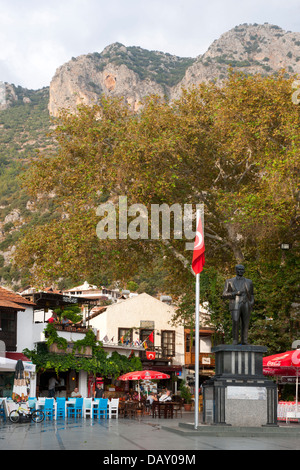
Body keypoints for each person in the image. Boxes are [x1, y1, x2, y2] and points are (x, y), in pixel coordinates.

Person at [222, 264, 254, 345]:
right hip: (235, 303)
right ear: (236, 270)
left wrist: (251, 302)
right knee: (235, 321)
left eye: (242, 270)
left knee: (245, 322)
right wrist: (234, 293)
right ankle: (235, 340)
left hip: (246, 303)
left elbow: (252, 294)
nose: (241, 271)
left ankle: (245, 340)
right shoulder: (229, 281)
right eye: (239, 270)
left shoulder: (249, 281)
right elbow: (224, 294)